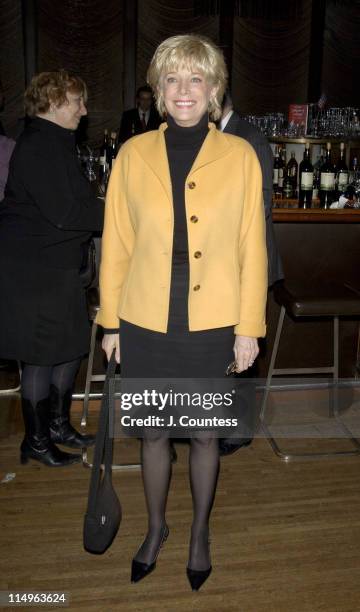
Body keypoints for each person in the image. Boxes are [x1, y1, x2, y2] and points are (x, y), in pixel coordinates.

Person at [97, 34, 267, 590]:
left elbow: (252, 247)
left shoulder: (239, 156)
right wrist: (110, 322)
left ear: (215, 90)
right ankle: (154, 528)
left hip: (213, 321)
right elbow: (116, 242)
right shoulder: (132, 152)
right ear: (159, 90)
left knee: (202, 435)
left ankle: (199, 534)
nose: (184, 89)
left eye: (197, 78)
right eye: (173, 78)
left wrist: (248, 328)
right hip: (145, 318)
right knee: (151, 435)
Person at [0, 70, 104, 467]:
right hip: (33, 272)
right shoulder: (39, 146)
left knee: (70, 348)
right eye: (78, 102)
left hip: (56, 268)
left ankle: (58, 426)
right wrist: (120, 213)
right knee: (41, 356)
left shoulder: (56, 142)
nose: (84, 110)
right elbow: (65, 213)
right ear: (56, 103)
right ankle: (36, 440)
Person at [218, 90, 284, 457]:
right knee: (232, 345)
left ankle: (241, 429)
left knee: (246, 342)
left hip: (249, 258)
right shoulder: (225, 135)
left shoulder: (248, 137)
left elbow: (260, 203)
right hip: (229, 261)